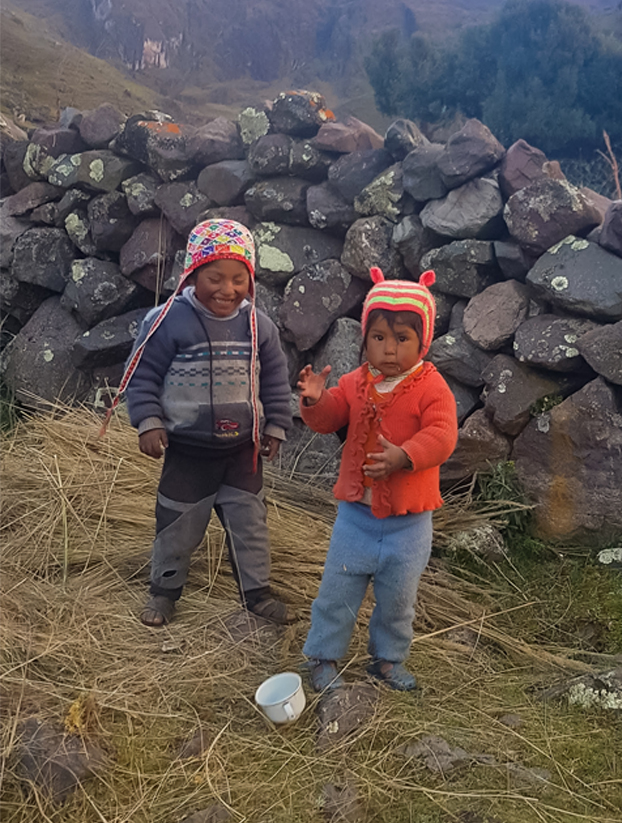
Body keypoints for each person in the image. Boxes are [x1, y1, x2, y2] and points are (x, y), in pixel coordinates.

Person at [116, 218, 294, 627]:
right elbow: (141, 376)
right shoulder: (167, 323)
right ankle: (163, 593)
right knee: (177, 529)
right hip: (188, 455)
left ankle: (256, 594)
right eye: (215, 277)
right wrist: (147, 420)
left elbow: (274, 379)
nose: (227, 290)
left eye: (238, 279)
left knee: (250, 527)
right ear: (193, 273)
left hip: (242, 455)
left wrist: (275, 426)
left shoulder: (258, 326)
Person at [297, 267, 458, 691]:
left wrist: (405, 456)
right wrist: (315, 401)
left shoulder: (431, 387)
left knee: (397, 600)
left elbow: (442, 435)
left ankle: (387, 660)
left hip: (409, 523)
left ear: (422, 341)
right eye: (379, 338)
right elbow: (333, 415)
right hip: (356, 519)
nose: (389, 350)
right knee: (338, 590)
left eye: (402, 339)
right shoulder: (356, 382)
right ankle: (322, 656)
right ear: (364, 339)